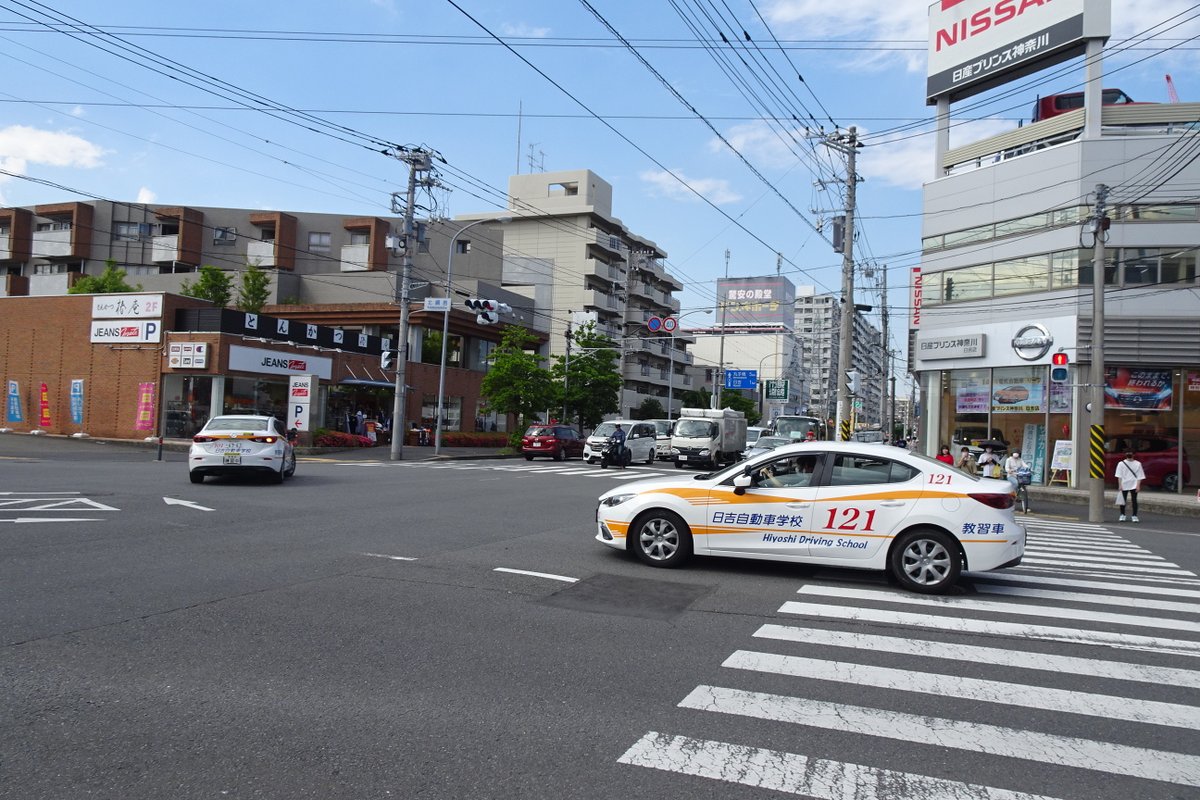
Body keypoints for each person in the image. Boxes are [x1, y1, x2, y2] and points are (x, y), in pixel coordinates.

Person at [1115, 450, 1146, 522]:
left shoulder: (1137, 464)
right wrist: (1120, 485)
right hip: (1126, 484)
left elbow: (1139, 476)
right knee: (1125, 500)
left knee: (1133, 500)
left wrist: (1138, 486)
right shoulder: (1121, 464)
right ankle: (1123, 514)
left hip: (1132, 484)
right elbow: (1119, 476)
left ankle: (1133, 515)